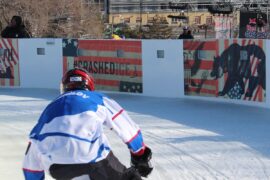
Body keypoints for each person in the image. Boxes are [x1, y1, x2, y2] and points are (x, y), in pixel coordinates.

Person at [22, 67, 153, 180]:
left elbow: (33, 144)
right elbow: (127, 128)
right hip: (92, 160)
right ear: (89, 86)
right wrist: (140, 154)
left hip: (56, 166)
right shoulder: (97, 98)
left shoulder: (50, 107)